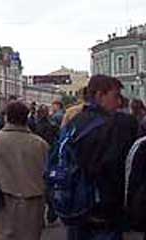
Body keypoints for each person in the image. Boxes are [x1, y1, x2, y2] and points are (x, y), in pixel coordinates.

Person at [66, 75, 137, 240]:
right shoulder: (113, 125)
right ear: (99, 95)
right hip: (104, 213)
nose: (119, 102)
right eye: (115, 96)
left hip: (75, 207)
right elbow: (115, 170)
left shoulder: (74, 122)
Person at [0, 101, 49, 240]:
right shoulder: (40, 144)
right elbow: (46, 172)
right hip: (32, 203)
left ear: (7, 117)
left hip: (0, 201)